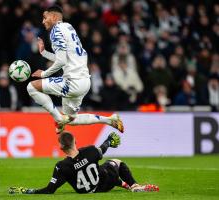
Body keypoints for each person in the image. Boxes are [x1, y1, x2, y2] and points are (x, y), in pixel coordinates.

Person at [26, 5, 124, 134]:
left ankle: (58, 119)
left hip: (72, 82)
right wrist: (44, 53)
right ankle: (110, 120)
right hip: (84, 82)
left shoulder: (56, 31)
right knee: (71, 119)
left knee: (31, 87)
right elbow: (65, 57)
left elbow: (61, 61)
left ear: (54, 17)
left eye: (45, 17)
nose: (43, 21)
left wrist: (44, 73)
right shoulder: (68, 27)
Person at [9, 131, 159, 194]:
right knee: (115, 163)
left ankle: (128, 186)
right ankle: (133, 185)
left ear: (61, 148)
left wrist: (29, 191)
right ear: (75, 142)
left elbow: (49, 190)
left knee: (101, 168)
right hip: (106, 183)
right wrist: (108, 141)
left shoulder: (61, 167)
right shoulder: (90, 151)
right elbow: (102, 149)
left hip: (87, 190)